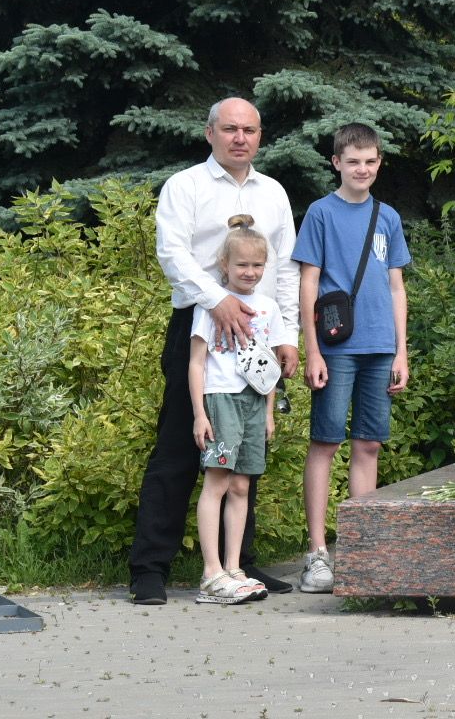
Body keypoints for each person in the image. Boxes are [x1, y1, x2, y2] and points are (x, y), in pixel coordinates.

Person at [129, 98, 300, 604]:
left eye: (249, 130)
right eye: (230, 129)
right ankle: (149, 568)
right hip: (201, 324)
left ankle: (236, 564)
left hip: (259, 327)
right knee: (182, 445)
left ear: (260, 136)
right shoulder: (186, 186)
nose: (240, 138)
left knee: (246, 449)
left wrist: (287, 333)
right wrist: (218, 300)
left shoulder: (273, 193)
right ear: (210, 133)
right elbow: (172, 253)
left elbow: (286, 266)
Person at [293, 124, 411, 593]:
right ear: (336, 163)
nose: (362, 169)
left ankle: (363, 549)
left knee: (369, 445)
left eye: (370, 161)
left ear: (379, 164)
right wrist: (313, 349)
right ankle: (318, 553)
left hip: (381, 346)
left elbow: (396, 286)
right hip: (337, 347)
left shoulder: (388, 217)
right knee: (326, 442)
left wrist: (402, 349)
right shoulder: (321, 213)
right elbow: (308, 282)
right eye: (353, 161)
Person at [189, 217, 293, 604]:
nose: (249, 272)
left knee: (242, 485)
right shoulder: (212, 306)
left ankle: (234, 568)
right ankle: (211, 573)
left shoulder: (267, 308)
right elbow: (197, 363)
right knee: (216, 482)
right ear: (225, 266)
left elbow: (268, 368)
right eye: (241, 265)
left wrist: (268, 413)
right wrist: (200, 413)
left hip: (253, 404)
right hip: (221, 401)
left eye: (257, 265)